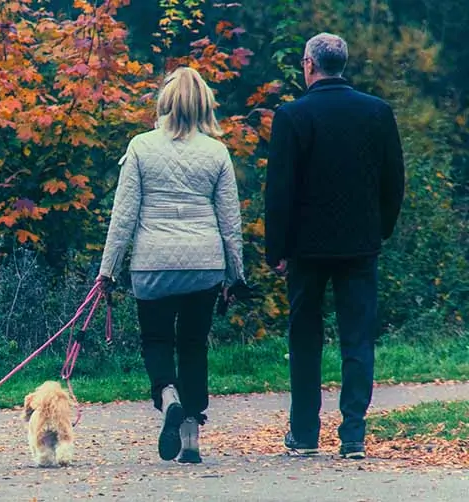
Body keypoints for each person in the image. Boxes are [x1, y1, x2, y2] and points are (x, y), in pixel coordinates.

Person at [265, 32, 405, 460]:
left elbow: (280, 190)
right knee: (357, 338)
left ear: (309, 65)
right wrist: (380, 229)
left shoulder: (292, 115)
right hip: (360, 243)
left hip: (306, 247)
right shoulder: (377, 112)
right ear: (342, 63)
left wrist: (277, 248)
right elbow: (394, 181)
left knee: (305, 338)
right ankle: (353, 435)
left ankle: (305, 433)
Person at [98, 67, 245, 464]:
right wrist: (236, 275)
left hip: (153, 264)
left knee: (157, 341)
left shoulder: (141, 147)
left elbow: (123, 217)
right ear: (203, 104)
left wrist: (108, 270)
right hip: (204, 264)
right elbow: (230, 222)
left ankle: (168, 396)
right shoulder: (216, 152)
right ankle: (191, 440)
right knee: (194, 345)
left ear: (164, 102)